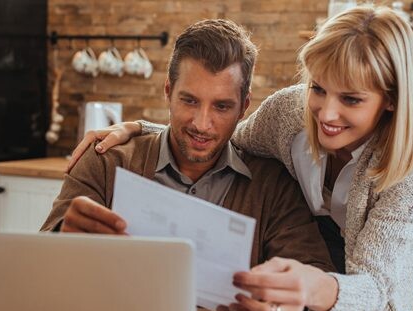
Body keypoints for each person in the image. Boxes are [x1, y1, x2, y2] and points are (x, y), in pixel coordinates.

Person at [68, 5, 413, 311]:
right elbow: (226, 136)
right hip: (326, 269)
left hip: (397, 297)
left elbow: (375, 287)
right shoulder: (290, 113)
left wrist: (312, 288)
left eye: (351, 99)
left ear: (392, 100)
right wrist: (142, 129)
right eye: (318, 88)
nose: (326, 113)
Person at [41, 19, 334, 277]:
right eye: (189, 100)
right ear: (168, 91)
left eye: (221, 106)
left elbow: (314, 275)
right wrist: (64, 238)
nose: (202, 124)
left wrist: (285, 297)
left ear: (244, 107)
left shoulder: (273, 185)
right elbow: (41, 263)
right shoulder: (105, 161)